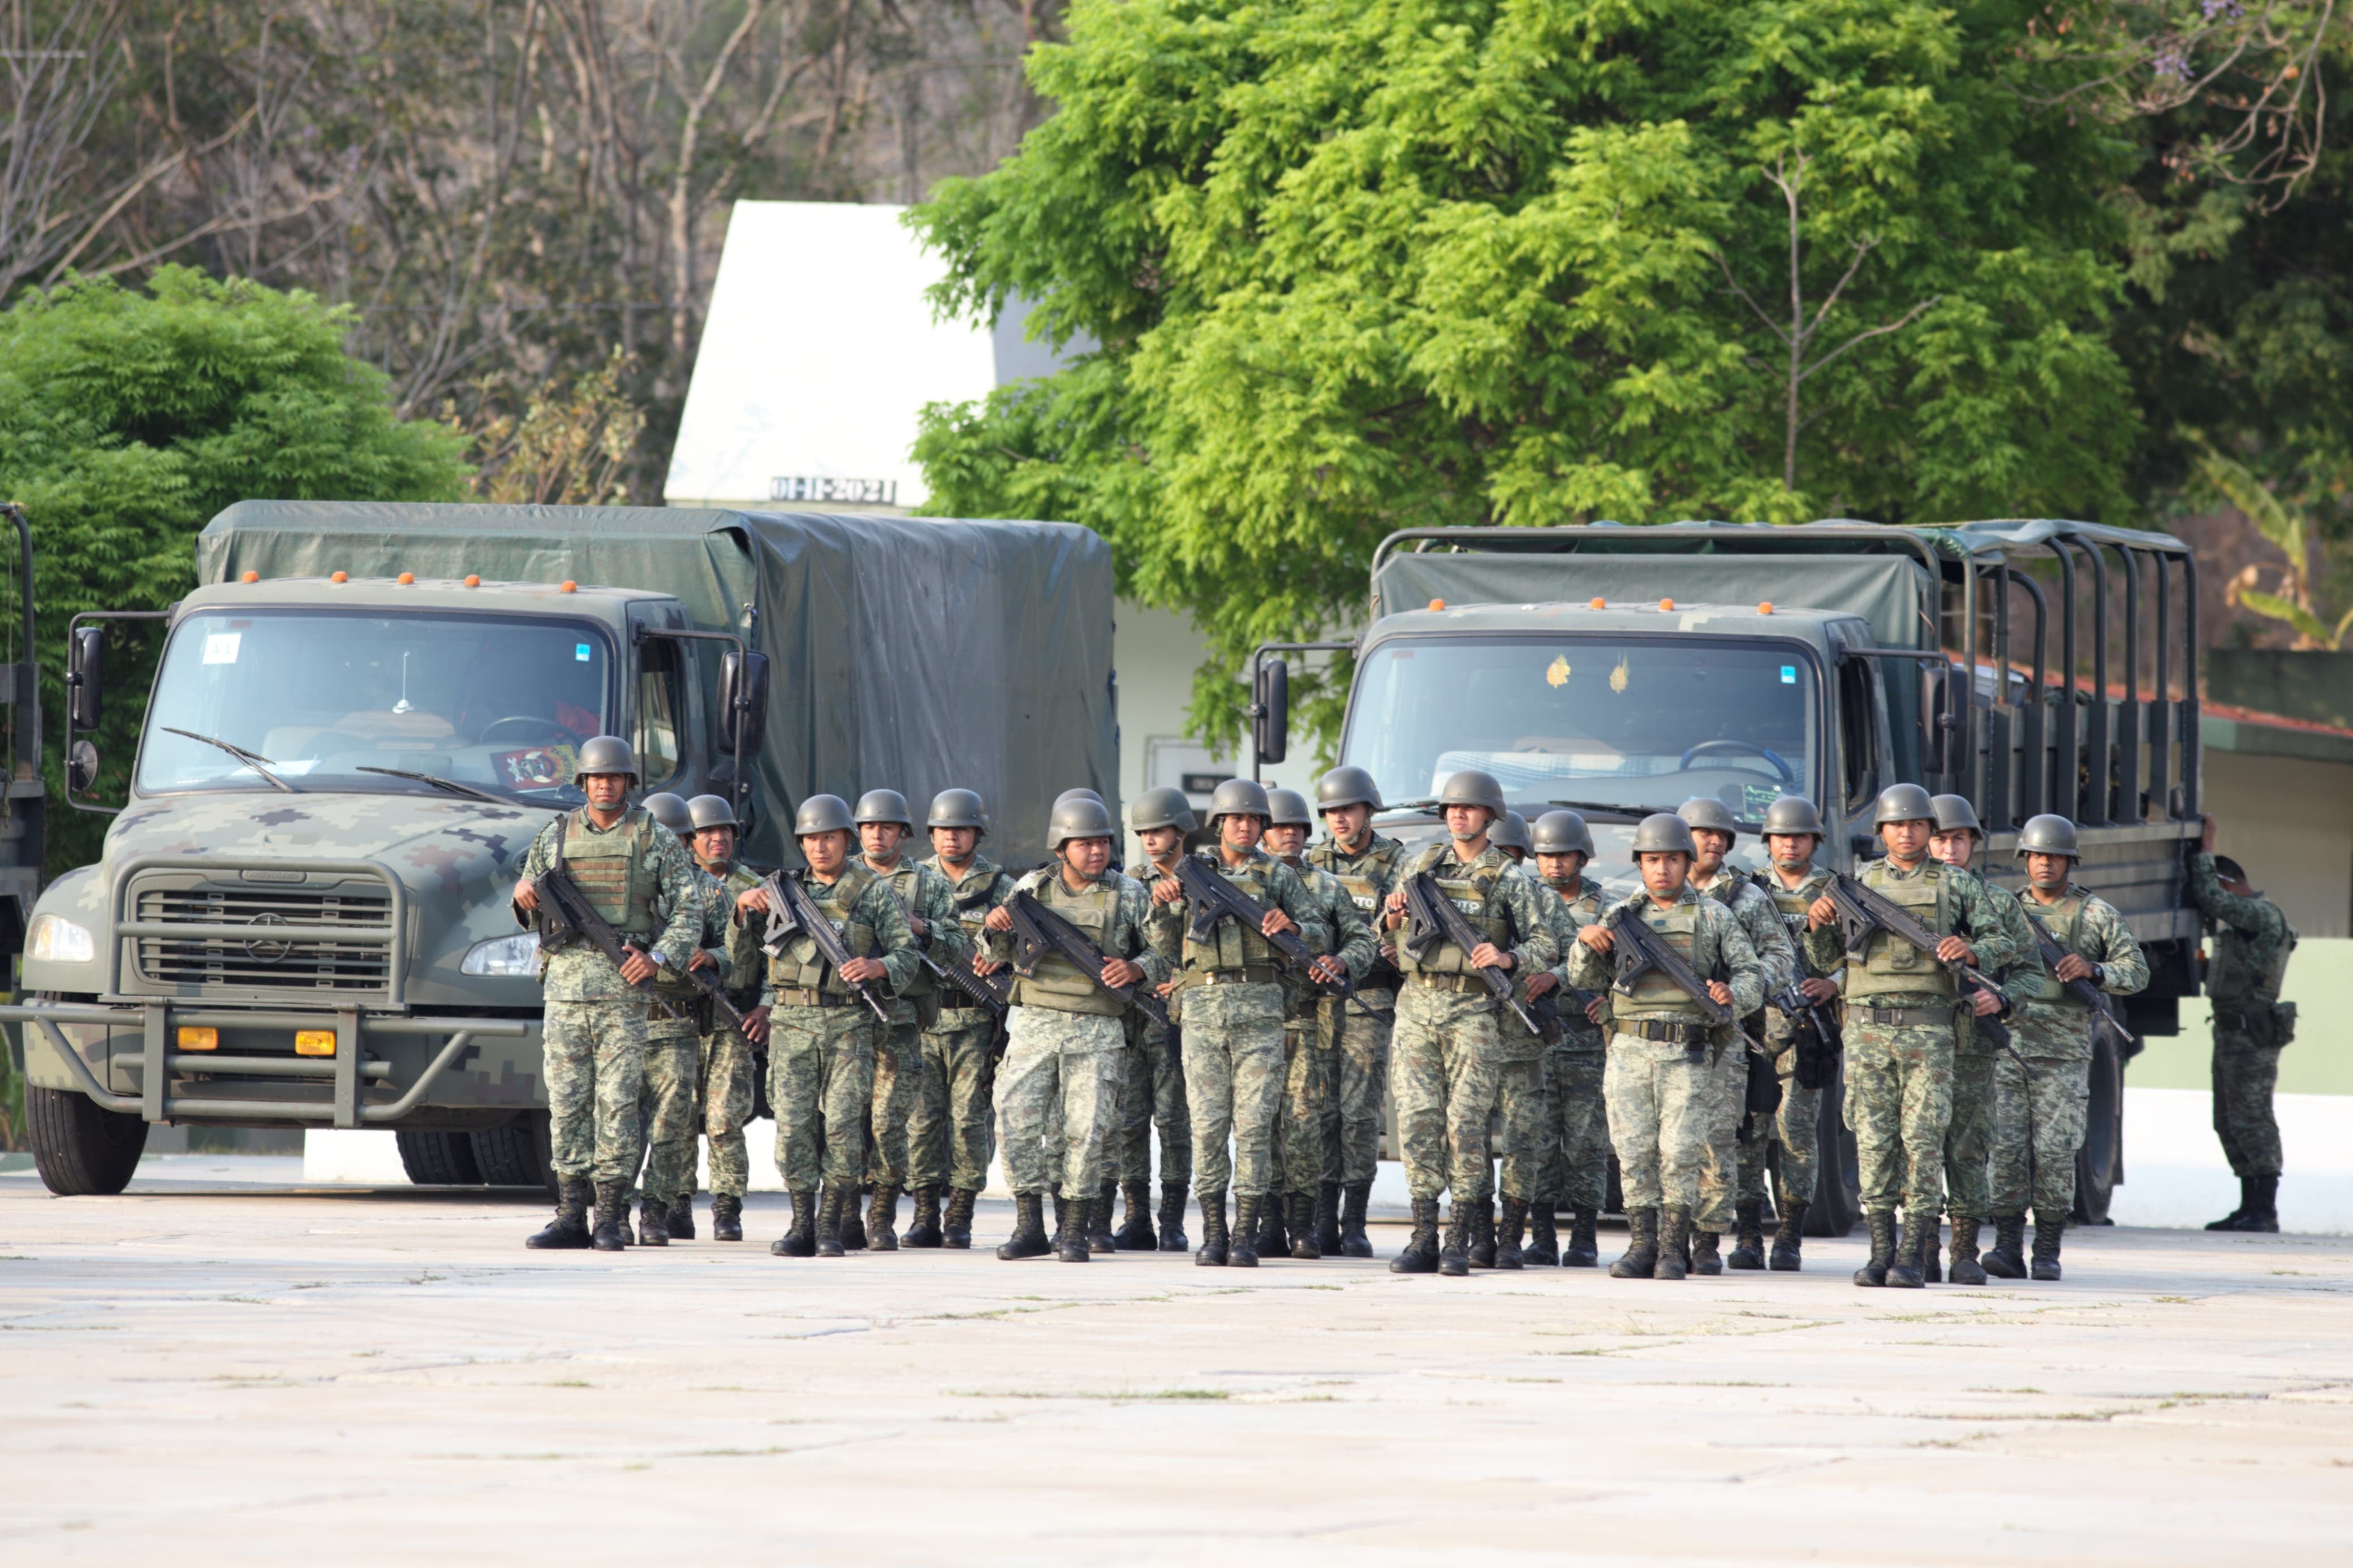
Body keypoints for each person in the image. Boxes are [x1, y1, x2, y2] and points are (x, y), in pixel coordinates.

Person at [1806, 783, 2015, 1289]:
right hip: (1867, 1029)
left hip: (1929, 1030)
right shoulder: (1856, 884)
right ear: (1880, 831)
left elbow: (2002, 939)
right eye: (1898, 824)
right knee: (1873, 1142)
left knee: (1923, 1143)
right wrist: (1817, 926)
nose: (1907, 832)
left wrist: (1968, 948)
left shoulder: (1956, 885)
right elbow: (1827, 962)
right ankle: (1880, 1252)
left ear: (1930, 830)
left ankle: (1913, 1254)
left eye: (1917, 824)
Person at [511, 737, 705, 1251]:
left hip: (623, 990)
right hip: (565, 988)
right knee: (567, 1102)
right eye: (596, 777)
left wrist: (658, 957)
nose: (605, 784)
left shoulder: (653, 837)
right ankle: (572, 1213)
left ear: (627, 783)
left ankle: (611, 1215)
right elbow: (529, 888)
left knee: (617, 1102)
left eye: (614, 777)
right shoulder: (554, 835)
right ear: (583, 783)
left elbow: (690, 909)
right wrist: (522, 893)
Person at [1152, 777, 1341, 1267]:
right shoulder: (1192, 870)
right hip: (1203, 1011)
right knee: (1209, 1125)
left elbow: (1318, 932)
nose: (1245, 825)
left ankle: (1244, 1233)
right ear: (1219, 823)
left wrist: (1292, 926)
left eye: (1255, 819)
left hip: (1261, 1011)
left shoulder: (1278, 876)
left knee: (1256, 1126)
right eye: (1236, 818)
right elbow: (1163, 947)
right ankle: (1213, 1232)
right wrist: (1163, 902)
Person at [1378, 770, 1559, 1277]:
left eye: (1470, 807)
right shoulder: (1420, 865)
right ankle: (1423, 1236)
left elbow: (1546, 943)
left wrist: (1507, 957)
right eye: (1452, 807)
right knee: (1416, 1121)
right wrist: (1391, 917)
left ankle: (1458, 1238)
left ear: (1489, 816)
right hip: (1417, 1006)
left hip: (1474, 1013)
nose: (1459, 813)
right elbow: (1383, 930)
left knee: (1465, 1126)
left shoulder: (1508, 877)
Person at [1568, 813, 1762, 1280]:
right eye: (1653, 860)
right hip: (1630, 1049)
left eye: (1672, 860)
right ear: (1640, 864)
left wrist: (1731, 994)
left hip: (1686, 1052)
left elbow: (1751, 972)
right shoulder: (1619, 916)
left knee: (1679, 1150)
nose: (1662, 869)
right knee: (1633, 1150)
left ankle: (1674, 1248)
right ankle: (1642, 1245)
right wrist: (1585, 944)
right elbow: (1583, 979)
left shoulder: (1715, 916)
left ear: (1686, 861)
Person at [978, 794, 1170, 1262]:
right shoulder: (1031, 888)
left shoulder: (1128, 893)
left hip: (1099, 1028)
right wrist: (994, 926)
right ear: (1062, 847)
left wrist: (1137, 969)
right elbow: (995, 952)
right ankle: (1030, 1226)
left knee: (1087, 1132)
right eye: (1085, 843)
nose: (1097, 851)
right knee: (1015, 1122)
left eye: (1103, 841)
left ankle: (1075, 1230)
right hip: (1034, 1024)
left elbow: (1165, 953)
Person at [733, 794, 918, 1259]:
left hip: (848, 1021)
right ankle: (800, 1224)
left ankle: (831, 1223)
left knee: (842, 1126)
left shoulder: (872, 890)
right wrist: (742, 911)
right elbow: (742, 959)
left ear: (845, 840)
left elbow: (908, 955)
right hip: (792, 1021)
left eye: (829, 838)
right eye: (812, 839)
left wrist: (876, 966)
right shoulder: (782, 890)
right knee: (793, 1125)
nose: (820, 847)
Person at [1988, 814, 2147, 1281]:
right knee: (2007, 1150)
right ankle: (2007, 1247)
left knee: (2056, 1152)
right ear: (2025, 859)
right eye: (2037, 855)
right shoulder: (2004, 910)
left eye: (2054, 856)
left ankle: (2048, 1250)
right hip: (2009, 1046)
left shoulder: (2094, 913)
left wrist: (2094, 971)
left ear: (2069, 862)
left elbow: (2136, 972)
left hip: (2063, 1054)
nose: (2044, 864)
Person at [1921, 793, 2041, 1284]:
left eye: (1959, 839)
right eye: (1941, 839)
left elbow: (2032, 971)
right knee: (1918, 1146)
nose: (1950, 848)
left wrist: (2005, 999)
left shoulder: (1999, 903)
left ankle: (1965, 1251)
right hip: (1914, 1040)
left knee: (1968, 1149)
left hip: (1972, 1044)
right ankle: (1922, 1246)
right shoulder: (1902, 900)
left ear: (1973, 843)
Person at [1680, 797, 1795, 1276]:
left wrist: (1740, 992)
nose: (1713, 841)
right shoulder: (1652, 893)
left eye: (1721, 835)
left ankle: (1709, 1239)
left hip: (1729, 1036)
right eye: (1701, 832)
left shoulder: (1745, 897)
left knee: (1721, 1140)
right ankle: (1668, 1236)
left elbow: (1780, 958)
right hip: (1664, 1032)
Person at [853, 788, 967, 1251]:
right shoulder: (838, 877)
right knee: (841, 1119)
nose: (877, 834)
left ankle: (881, 1213)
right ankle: (840, 1212)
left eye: (887, 826)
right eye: (869, 826)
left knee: (890, 1122)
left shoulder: (928, 883)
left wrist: (921, 928)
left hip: (900, 1017)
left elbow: (956, 944)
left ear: (904, 832)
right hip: (843, 1017)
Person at [1265, 786, 1374, 1259]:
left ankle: (1311, 1224)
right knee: (1258, 1124)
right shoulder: (1242, 882)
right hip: (1254, 1021)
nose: (1288, 834)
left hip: (1311, 1020)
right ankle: (1267, 1222)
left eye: (1297, 827)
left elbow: (1362, 938)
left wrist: (1342, 961)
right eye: (1278, 826)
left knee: (1310, 1124)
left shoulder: (1328, 886)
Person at [1737, 796, 1843, 1271]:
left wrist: (1834, 983)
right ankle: (1747, 1233)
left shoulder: (1840, 891)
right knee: (1749, 1132)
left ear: (1815, 840)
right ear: (1769, 842)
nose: (1790, 844)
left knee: (1797, 1132)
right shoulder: (1746, 890)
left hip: (1807, 1031)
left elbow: (1864, 956)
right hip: (1756, 1031)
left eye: (1800, 836)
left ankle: (1790, 1235)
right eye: (1782, 836)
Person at [1307, 764, 1408, 1259]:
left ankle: (1354, 1220)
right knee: (1323, 1110)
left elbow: (1417, 925)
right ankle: (1325, 1218)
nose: (1338, 818)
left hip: (1370, 997)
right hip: (1321, 1000)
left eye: (1347, 809)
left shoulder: (1399, 862)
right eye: (1330, 811)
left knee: (1360, 1115)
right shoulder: (1311, 861)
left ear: (1369, 809)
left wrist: (1394, 941)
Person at [910, 788, 1015, 1250]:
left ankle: (960, 1214)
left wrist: (1002, 955)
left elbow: (1031, 948)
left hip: (975, 1021)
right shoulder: (911, 881)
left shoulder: (1002, 886)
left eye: (961, 829)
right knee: (921, 1120)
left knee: (970, 1120)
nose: (951, 836)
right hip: (924, 1018)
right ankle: (924, 1213)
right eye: (943, 829)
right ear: (931, 833)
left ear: (977, 833)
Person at [629, 791, 729, 1246]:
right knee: (618, 1121)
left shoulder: (709, 892)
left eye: (675, 838)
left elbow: (739, 953)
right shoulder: (621, 887)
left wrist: (710, 957)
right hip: (625, 1020)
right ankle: (609, 1211)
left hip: (677, 1022)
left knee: (672, 1126)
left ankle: (657, 1211)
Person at [1510, 810, 1608, 1268]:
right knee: (1539, 1139)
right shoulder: (1522, 898)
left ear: (1582, 857)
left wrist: (1559, 977)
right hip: (1537, 1036)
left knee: (1587, 1141)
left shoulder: (1607, 907)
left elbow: (1614, 964)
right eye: (1546, 855)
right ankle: (1543, 1233)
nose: (1554, 864)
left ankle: (1585, 1235)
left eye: (1563, 855)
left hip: (1586, 1039)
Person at [2191, 816, 2297, 1234]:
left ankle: (2264, 1209)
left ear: (2230, 882)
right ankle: (2248, 1203)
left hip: (2252, 1034)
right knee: (2229, 1119)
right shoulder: (2242, 930)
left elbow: (2212, 899)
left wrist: (2204, 851)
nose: (2218, 898)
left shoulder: (2264, 915)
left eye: (2221, 886)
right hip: (2231, 1032)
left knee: (2253, 1117)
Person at [1114, 787, 1198, 1252]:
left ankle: (1172, 1220)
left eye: (1158, 830)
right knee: (1130, 1121)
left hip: (1180, 1018)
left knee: (1173, 1120)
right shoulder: (1129, 882)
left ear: (1181, 831)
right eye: (1143, 832)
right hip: (1133, 1016)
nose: (1150, 839)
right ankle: (1136, 1217)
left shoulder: (1206, 877)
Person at [684, 792, 765, 1243]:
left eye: (725, 830)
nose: (718, 838)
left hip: (731, 1013)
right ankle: (675, 1202)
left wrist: (766, 1007)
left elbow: (778, 955)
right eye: (707, 831)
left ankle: (727, 1207)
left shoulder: (756, 887)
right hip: (680, 1017)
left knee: (724, 1119)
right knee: (674, 1119)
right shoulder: (676, 884)